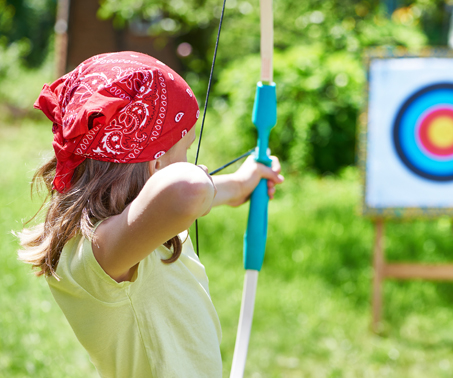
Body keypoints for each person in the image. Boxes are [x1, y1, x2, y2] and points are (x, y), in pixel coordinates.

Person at [16, 51, 284, 377]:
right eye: (185, 148)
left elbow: (183, 192)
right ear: (155, 165)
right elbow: (187, 189)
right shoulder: (99, 252)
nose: (193, 160)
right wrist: (202, 182)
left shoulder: (134, 234)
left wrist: (241, 184)